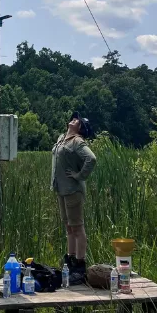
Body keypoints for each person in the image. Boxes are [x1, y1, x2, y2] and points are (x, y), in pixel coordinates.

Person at [51, 113, 97, 285]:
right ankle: (69, 260)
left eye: (77, 120)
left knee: (77, 227)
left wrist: (79, 176)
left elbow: (91, 158)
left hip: (72, 190)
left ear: (80, 128)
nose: (73, 119)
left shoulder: (77, 141)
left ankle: (80, 264)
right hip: (61, 189)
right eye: (74, 118)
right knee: (69, 227)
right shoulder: (62, 138)